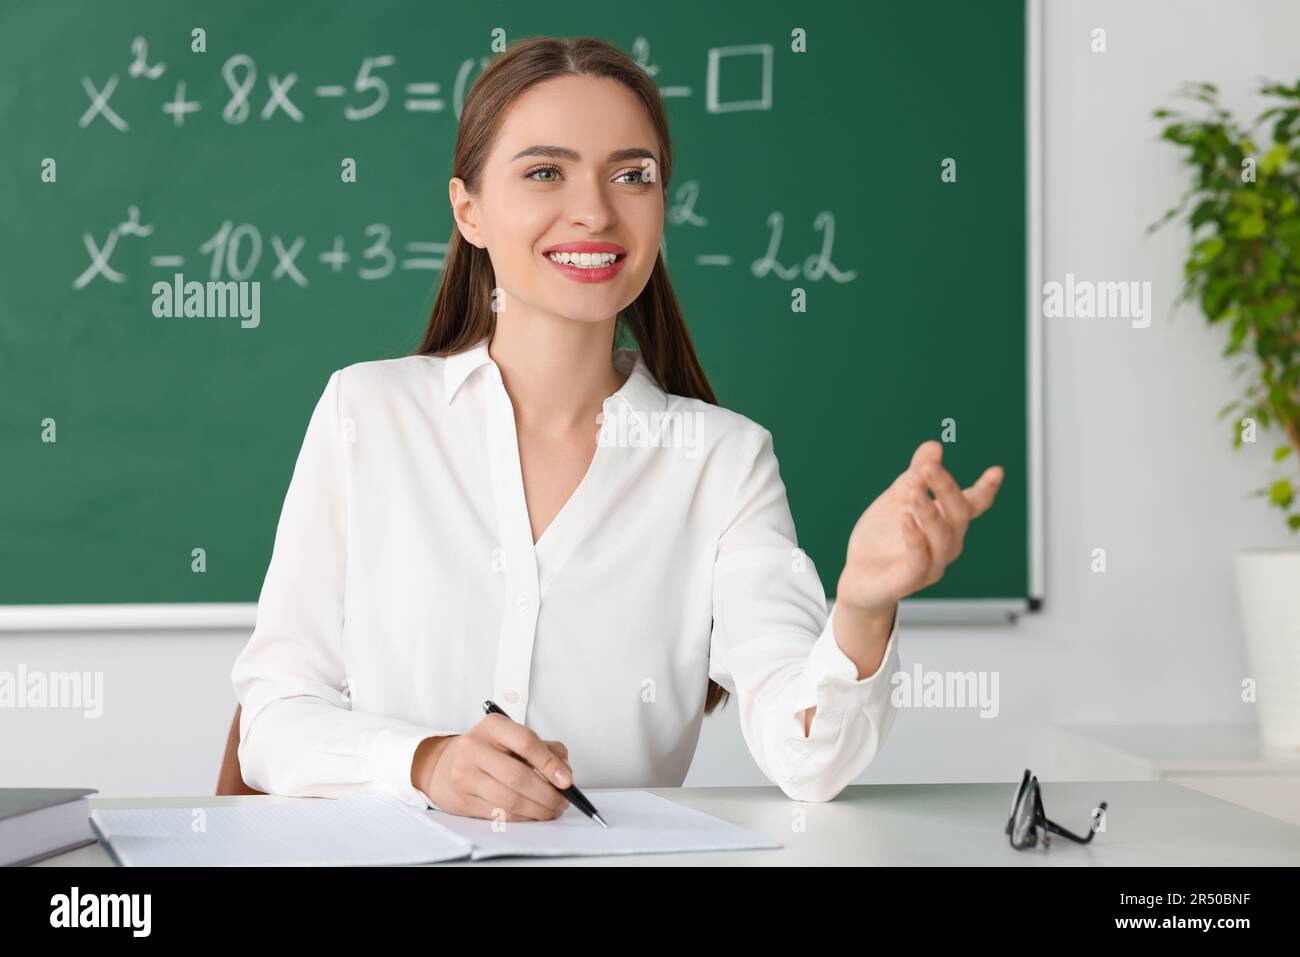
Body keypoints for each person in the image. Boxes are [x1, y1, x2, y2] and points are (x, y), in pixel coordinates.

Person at [231, 36, 1003, 822]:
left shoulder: (724, 462)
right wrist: (426, 762)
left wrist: (863, 607)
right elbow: (270, 718)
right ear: (469, 211)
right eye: (544, 172)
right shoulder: (369, 414)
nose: (596, 211)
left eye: (632, 176)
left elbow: (808, 758)